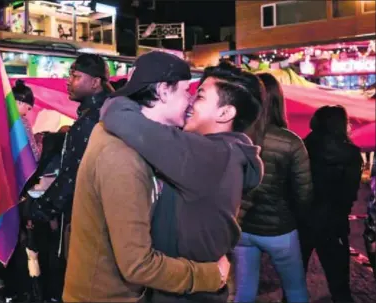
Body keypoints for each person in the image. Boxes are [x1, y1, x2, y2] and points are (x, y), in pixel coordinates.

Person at [64, 52, 232, 302]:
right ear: (164, 90)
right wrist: (210, 275)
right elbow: (137, 265)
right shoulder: (122, 155)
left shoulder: (139, 141)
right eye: (186, 91)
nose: (189, 101)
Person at [98, 58, 265, 303]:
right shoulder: (229, 153)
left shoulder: (207, 155)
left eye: (199, 96)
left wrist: (136, 86)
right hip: (196, 289)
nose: (188, 102)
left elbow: (116, 114)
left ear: (225, 112)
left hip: (184, 294)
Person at [22, 54, 113, 300]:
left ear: (95, 82)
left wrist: (39, 209)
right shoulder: (101, 113)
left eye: (75, 76)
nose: (67, 81)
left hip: (89, 217)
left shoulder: (91, 121)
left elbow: (73, 178)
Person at [232, 73, 312, 303]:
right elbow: (304, 194)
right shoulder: (291, 141)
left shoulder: (235, 136)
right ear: (278, 100)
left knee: (244, 291)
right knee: (295, 290)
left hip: (242, 227)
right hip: (280, 229)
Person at [302, 105, 363, 303]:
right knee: (340, 286)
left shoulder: (302, 148)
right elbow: (349, 193)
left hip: (303, 221)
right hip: (334, 224)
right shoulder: (351, 154)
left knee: (293, 281)